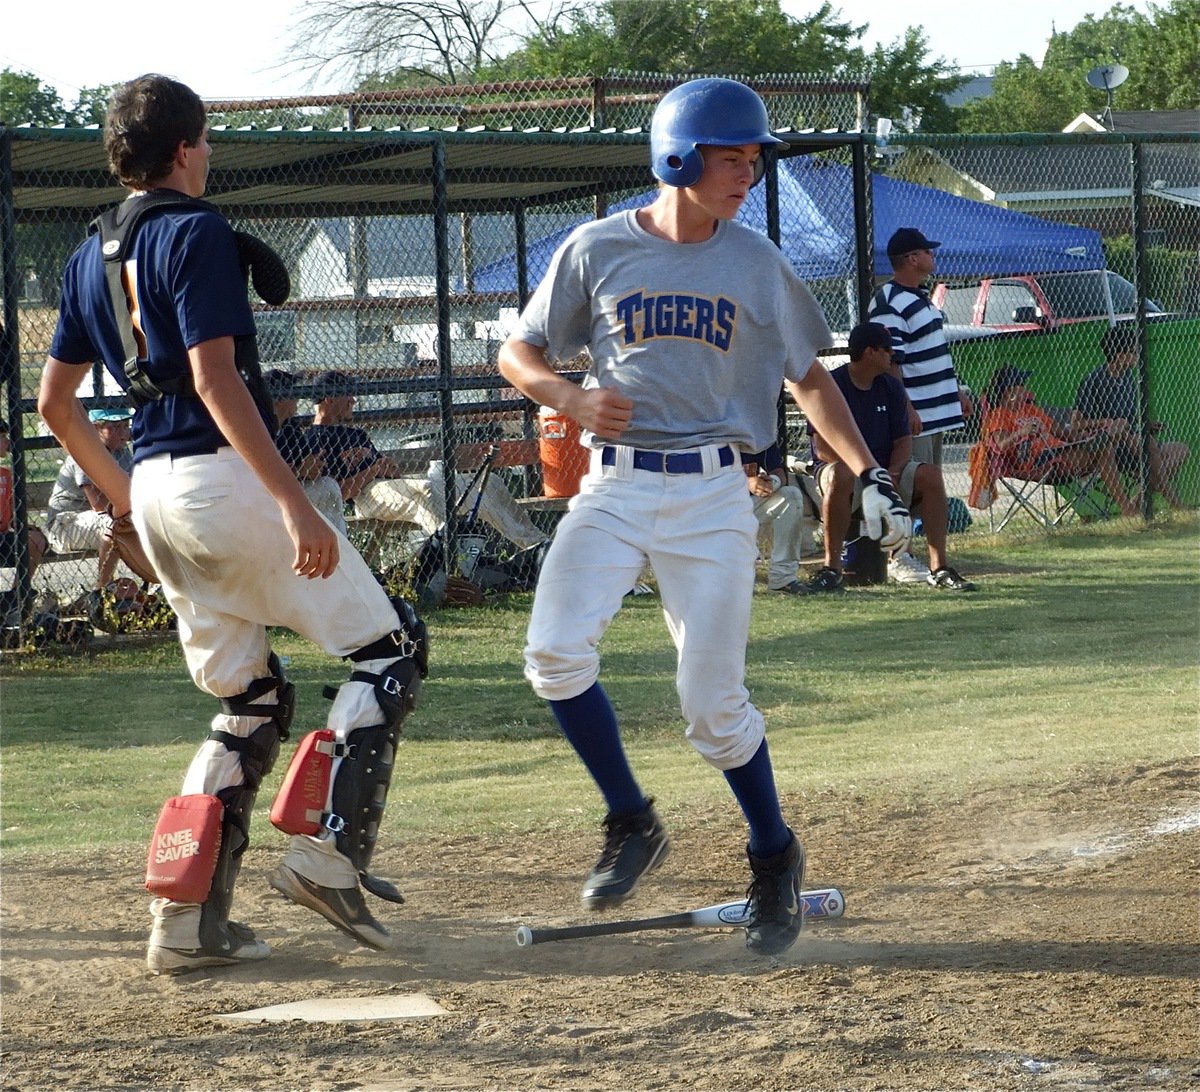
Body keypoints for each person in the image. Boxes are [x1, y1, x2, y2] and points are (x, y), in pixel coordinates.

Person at [496, 77, 911, 956]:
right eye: (734, 156)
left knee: (713, 709)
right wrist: (566, 395)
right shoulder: (597, 247)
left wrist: (868, 470)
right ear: (678, 156)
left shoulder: (754, 261)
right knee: (554, 655)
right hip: (612, 486)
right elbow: (517, 351)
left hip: (715, 492)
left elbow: (809, 378)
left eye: (755, 157)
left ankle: (773, 855)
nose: (749, 173)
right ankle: (632, 820)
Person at [38, 74, 428, 976]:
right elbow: (217, 382)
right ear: (182, 149)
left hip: (158, 486)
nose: (210, 155)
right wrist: (295, 502)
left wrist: (128, 502)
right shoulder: (197, 230)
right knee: (392, 651)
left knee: (249, 700)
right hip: (223, 481)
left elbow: (58, 404)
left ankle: (184, 922)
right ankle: (328, 859)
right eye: (205, 141)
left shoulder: (86, 252)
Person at [806, 322, 976, 593]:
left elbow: (902, 442)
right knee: (841, 473)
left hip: (884, 471)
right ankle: (831, 569)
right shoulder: (833, 385)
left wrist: (892, 474)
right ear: (870, 352)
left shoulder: (891, 387)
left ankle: (939, 568)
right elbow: (823, 449)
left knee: (930, 475)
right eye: (887, 350)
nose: (893, 356)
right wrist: (868, 473)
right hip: (843, 471)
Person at [309, 369, 545, 550]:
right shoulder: (314, 438)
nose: (353, 400)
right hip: (365, 497)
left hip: (396, 487)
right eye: (347, 394)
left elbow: (388, 470)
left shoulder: (356, 434)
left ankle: (536, 546)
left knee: (489, 481)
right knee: (424, 489)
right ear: (329, 398)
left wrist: (387, 468)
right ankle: (448, 559)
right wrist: (372, 472)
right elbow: (336, 493)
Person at [867, 226, 974, 467]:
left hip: (935, 413)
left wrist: (955, 391)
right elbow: (889, 362)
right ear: (912, 258)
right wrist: (906, 409)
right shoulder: (890, 302)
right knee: (917, 487)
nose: (933, 255)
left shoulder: (921, 297)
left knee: (932, 486)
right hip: (917, 416)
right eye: (928, 251)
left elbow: (935, 349)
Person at [981, 364, 1138, 517]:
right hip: (1040, 463)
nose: (1027, 390)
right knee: (1105, 450)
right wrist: (1021, 432)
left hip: (1061, 453)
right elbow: (1000, 446)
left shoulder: (1031, 409)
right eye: (1023, 386)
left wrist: (1081, 437)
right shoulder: (999, 416)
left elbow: (1061, 432)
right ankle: (1127, 506)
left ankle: (1106, 441)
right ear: (1011, 392)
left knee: (1105, 448)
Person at [1072, 324, 1189, 510]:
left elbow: (1129, 417)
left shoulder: (1127, 377)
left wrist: (1147, 424)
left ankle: (1138, 499)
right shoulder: (1094, 380)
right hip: (1112, 447)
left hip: (1134, 439)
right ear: (1119, 354)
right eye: (1133, 351)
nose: (1137, 355)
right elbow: (1076, 424)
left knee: (1180, 450)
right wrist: (1105, 422)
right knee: (1146, 443)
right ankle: (1177, 505)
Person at [44, 407, 134, 588]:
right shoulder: (84, 451)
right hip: (66, 524)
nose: (124, 434)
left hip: (98, 520)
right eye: (115, 428)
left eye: (126, 426)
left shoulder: (122, 452)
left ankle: (158, 585)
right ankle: (103, 588)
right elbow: (98, 505)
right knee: (113, 524)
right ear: (95, 429)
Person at [265, 368, 347, 534]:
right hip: (265, 495)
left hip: (293, 488)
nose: (297, 398)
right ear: (279, 398)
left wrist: (309, 468)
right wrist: (299, 470)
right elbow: (260, 473)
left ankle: (337, 544)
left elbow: (310, 462)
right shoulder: (260, 424)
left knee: (328, 485)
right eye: (292, 392)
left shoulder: (290, 427)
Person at [744, 442, 813, 594]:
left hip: (745, 507)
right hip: (710, 511)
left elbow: (779, 472)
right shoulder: (712, 430)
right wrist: (746, 481)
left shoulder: (758, 433)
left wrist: (772, 482)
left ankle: (782, 579)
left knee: (790, 495)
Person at [0, 417, 49, 608]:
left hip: (4, 537)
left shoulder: (6, 475)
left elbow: (11, 513)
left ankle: (17, 593)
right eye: (2, 437)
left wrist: (22, 525)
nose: (6, 442)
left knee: (36, 539)